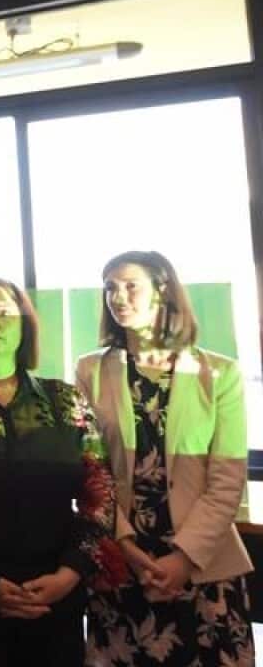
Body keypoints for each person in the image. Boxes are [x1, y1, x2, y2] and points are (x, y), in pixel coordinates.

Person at [0, 276, 121, 666]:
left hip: (58, 598)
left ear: (24, 325)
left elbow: (101, 493)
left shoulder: (65, 400)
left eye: (3, 313)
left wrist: (71, 571)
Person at [76, 251, 253, 665]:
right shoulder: (91, 371)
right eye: (109, 289)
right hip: (123, 564)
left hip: (203, 564)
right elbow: (91, 470)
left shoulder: (219, 374)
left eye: (130, 286)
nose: (118, 297)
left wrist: (182, 559)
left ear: (163, 291)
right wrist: (126, 547)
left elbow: (227, 480)